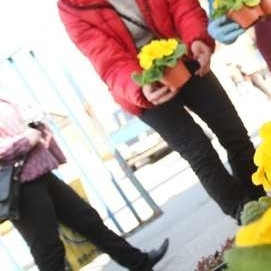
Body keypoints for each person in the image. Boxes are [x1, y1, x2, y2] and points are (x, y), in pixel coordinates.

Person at [29, 0, 264, 223]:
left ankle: (263, 201)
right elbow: (107, 61)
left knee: (235, 134)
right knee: (199, 152)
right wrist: (142, 90)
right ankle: (249, 217)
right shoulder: (70, 6)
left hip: (184, 58)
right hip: (145, 86)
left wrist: (197, 39)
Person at [0, 98, 169, 270]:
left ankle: (139, 262)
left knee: (88, 221)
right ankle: (139, 262)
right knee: (48, 248)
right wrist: (26, 140)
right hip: (19, 188)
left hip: (42, 174)